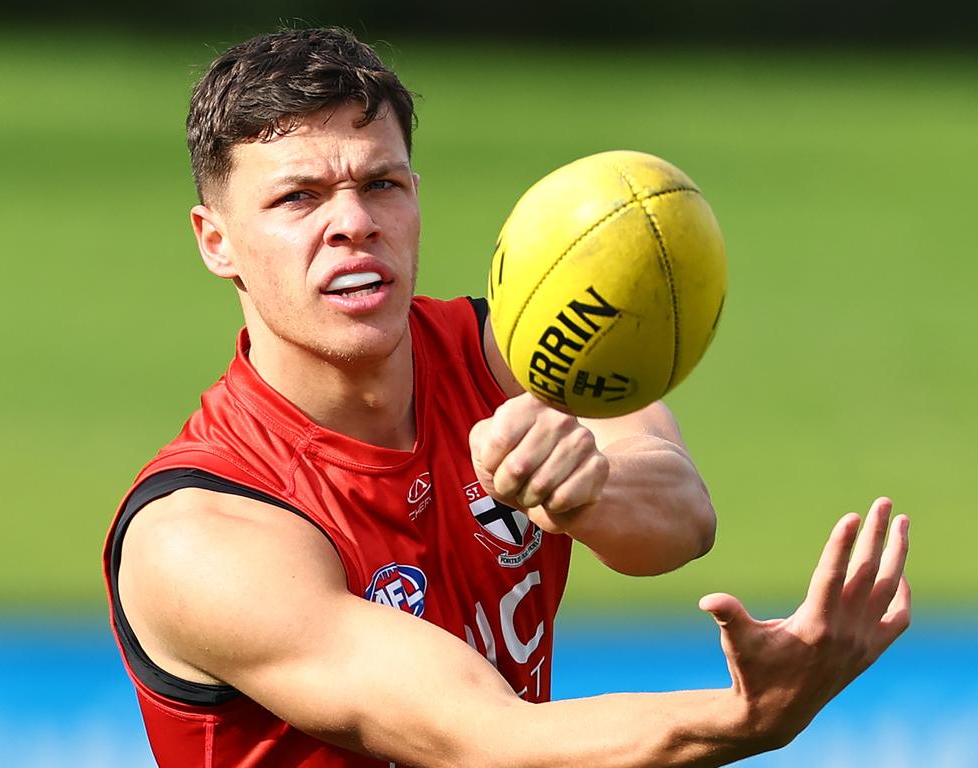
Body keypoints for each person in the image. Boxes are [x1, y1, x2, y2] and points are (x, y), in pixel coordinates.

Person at [102, 27, 911, 768]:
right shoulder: (199, 532)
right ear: (216, 241)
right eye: (298, 197)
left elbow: (680, 519)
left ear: (415, 196)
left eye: (380, 183)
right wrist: (743, 719)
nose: (354, 221)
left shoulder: (515, 353)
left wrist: (588, 490)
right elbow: (479, 738)